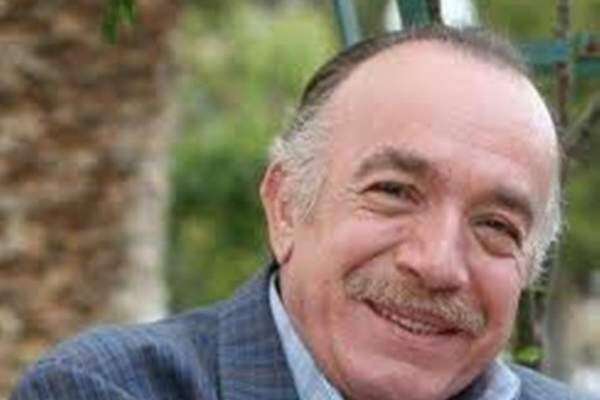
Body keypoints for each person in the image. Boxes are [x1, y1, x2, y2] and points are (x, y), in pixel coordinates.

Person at [11, 26, 598, 400]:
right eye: (395, 192)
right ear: (286, 206)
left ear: (529, 267)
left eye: (495, 226)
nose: (438, 263)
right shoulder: (108, 389)